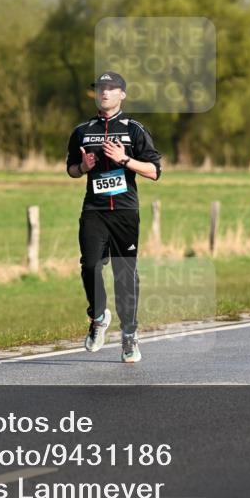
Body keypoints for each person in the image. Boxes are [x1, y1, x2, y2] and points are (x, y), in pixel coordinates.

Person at [65, 71, 162, 363]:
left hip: (124, 212)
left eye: (110, 88)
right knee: (90, 265)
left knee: (124, 276)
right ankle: (98, 318)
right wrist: (82, 166)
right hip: (94, 210)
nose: (104, 92)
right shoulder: (83, 130)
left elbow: (155, 172)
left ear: (122, 94)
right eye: (100, 88)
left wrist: (125, 160)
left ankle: (129, 336)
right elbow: (70, 169)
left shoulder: (134, 130)